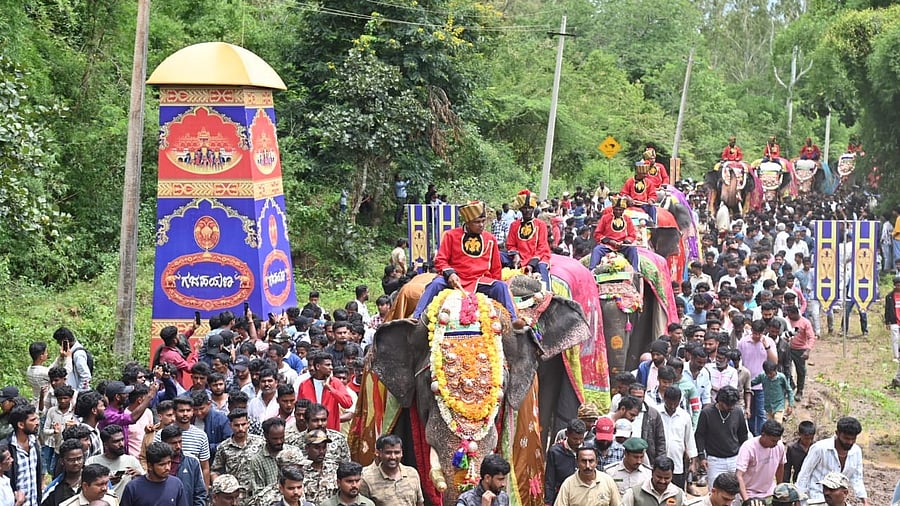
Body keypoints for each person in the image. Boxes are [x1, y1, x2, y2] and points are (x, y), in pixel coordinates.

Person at [412, 201, 521, 322]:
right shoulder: (451, 235)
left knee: (501, 286)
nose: (481, 225)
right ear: (467, 222)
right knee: (435, 284)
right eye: (477, 222)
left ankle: (513, 320)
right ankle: (415, 317)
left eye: (483, 221)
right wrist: (450, 273)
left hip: (479, 280)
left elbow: (495, 268)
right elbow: (440, 260)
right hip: (454, 278)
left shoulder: (490, 239)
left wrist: (497, 281)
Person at [795, 417, 868, 505]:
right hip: (816, 498)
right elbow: (805, 473)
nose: (850, 442)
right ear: (837, 433)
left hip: (837, 501)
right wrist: (799, 499)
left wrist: (864, 500)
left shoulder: (856, 451)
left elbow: (857, 478)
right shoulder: (820, 448)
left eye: (853, 439)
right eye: (846, 438)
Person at [695, 386, 748, 488]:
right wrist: (702, 457)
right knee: (715, 491)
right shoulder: (707, 413)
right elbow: (699, 435)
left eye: (733, 404)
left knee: (736, 492)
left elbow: (743, 435)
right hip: (714, 460)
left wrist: (744, 456)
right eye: (728, 405)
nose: (731, 407)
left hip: (735, 459)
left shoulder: (738, 411)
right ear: (719, 401)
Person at [359, 434, 424, 506]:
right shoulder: (367, 478)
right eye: (388, 453)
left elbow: (420, 503)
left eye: (397, 452)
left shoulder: (412, 473)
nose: (393, 457)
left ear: (401, 453)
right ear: (379, 453)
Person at [506, 190, 552, 288]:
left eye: (530, 208)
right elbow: (510, 244)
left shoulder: (541, 225)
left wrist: (531, 264)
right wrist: (515, 255)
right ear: (520, 209)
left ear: (533, 209)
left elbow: (542, 247)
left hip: (539, 257)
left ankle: (548, 293)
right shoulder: (514, 225)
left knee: (542, 269)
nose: (527, 211)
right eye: (524, 208)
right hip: (520, 257)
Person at [296, 354, 353, 432]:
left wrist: (330, 389)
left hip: (331, 431)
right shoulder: (304, 385)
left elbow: (347, 403)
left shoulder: (336, 383)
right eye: (327, 365)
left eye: (331, 365)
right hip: (310, 432)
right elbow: (300, 408)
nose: (331, 368)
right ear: (318, 366)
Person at [120, 442, 189, 506]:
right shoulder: (133, 488)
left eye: (169, 462)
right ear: (150, 466)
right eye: (162, 464)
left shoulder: (176, 484)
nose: (167, 468)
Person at [85, 425, 143, 499]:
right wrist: (107, 483)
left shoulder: (131, 461)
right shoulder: (92, 461)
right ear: (106, 445)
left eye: (122, 439)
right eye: (116, 441)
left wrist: (140, 476)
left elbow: (145, 484)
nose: (121, 444)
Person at [735, 420, 786, 502]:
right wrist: (746, 500)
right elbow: (738, 475)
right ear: (763, 435)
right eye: (773, 440)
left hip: (769, 492)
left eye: (777, 440)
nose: (775, 443)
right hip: (749, 494)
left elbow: (780, 466)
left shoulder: (779, 446)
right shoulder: (748, 448)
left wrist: (779, 488)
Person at [247, 418, 300, 496]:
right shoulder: (257, 460)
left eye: (282, 437)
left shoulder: (294, 452)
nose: (279, 441)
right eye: (275, 439)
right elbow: (258, 491)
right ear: (266, 436)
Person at [553, 446, 620, 506]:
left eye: (591, 461)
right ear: (577, 462)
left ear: (596, 462)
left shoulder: (608, 481)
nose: (587, 466)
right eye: (583, 461)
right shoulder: (568, 484)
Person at [210, 408, 264, 482]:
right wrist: (220, 487)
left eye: (243, 424)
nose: (240, 428)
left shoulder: (260, 442)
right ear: (230, 425)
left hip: (258, 490)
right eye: (236, 425)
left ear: (248, 424)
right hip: (235, 491)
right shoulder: (224, 447)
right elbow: (215, 471)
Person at [659, 387, 696, 490]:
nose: (672, 406)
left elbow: (690, 440)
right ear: (664, 398)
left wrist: (693, 462)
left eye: (675, 403)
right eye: (669, 403)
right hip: (659, 461)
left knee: (677, 492)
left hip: (677, 462)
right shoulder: (656, 413)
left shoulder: (685, 416)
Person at [4, 404, 42, 506]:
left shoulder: (34, 443)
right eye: (32, 420)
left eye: (36, 419)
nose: (37, 423)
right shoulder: (7, 449)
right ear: (21, 425)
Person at [160, 425, 207, 506]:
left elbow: (199, 494)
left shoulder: (192, 462)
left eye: (180, 442)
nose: (178, 446)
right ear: (164, 443)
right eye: (173, 443)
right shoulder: (157, 463)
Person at [589, 196, 640, 271]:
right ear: (613, 209)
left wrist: (623, 242)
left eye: (620, 210)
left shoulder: (627, 219)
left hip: (623, 246)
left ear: (623, 210)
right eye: (616, 210)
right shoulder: (605, 218)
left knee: (632, 249)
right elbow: (597, 234)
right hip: (608, 245)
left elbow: (632, 235)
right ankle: (592, 270)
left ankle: (635, 271)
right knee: (597, 250)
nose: (618, 212)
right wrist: (610, 241)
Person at [544, 418, 586, 505]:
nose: (578, 442)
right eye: (575, 439)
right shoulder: (555, 452)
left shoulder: (588, 451)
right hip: (562, 497)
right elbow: (550, 481)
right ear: (567, 434)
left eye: (581, 438)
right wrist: (548, 502)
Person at [42, 438, 84, 506]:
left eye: (79, 458)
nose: (76, 463)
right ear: (62, 461)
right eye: (71, 460)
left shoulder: (94, 481)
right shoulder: (53, 488)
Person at [50, 328, 93, 393]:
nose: (59, 344)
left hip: (77, 393)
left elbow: (86, 375)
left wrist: (79, 393)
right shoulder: (69, 352)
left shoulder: (78, 354)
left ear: (65, 341)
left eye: (59, 342)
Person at [884, 276, 900, 363]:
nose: (899, 287)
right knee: (895, 339)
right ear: (894, 286)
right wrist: (887, 322)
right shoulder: (889, 296)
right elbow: (887, 309)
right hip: (894, 320)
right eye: (897, 285)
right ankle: (896, 356)